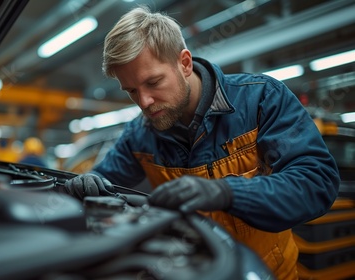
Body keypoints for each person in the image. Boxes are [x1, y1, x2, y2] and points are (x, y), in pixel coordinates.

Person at [63, 6, 340, 279]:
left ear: (184, 63)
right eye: (132, 91)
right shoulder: (139, 135)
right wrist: (87, 183)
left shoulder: (261, 99)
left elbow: (316, 182)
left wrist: (228, 193)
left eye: (154, 82)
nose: (144, 102)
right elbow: (102, 179)